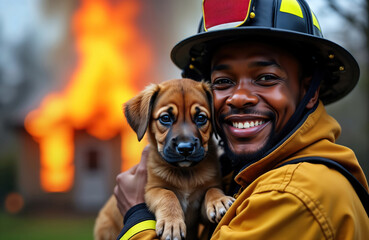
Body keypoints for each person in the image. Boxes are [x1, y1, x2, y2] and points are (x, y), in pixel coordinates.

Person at [114, 0, 369, 239]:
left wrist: (138, 216)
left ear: (309, 92)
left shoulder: (291, 196)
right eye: (223, 82)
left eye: (266, 77)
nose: (239, 97)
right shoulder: (248, 176)